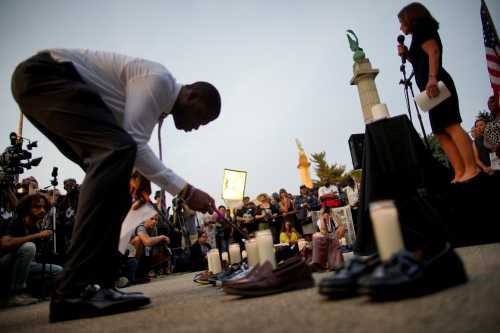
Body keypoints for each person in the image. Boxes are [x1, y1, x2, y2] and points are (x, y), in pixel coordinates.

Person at [11, 49, 220, 321]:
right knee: (116, 155)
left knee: (115, 180)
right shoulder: (160, 81)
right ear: (191, 95)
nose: (196, 127)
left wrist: (135, 176)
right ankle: (73, 289)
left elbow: (129, 148)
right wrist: (187, 191)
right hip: (47, 75)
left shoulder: (158, 100)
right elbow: (132, 144)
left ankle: (97, 286)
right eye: (200, 117)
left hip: (41, 82)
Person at [397, 3, 479, 183]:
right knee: (440, 132)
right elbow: (420, 61)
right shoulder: (416, 35)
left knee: (451, 125)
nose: (401, 27)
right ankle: (459, 172)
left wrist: (432, 77)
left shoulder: (422, 28)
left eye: (402, 22)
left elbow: (433, 51)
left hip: (437, 83)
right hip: (429, 89)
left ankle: (471, 168)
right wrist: (408, 54)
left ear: (411, 18)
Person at [0, 193, 63, 306]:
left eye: (44, 207)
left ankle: (37, 293)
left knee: (58, 270)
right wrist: (37, 236)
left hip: (25, 266)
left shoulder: (35, 225)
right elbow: (5, 243)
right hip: (6, 264)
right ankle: (16, 293)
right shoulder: (16, 221)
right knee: (29, 247)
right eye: (37, 207)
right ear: (27, 208)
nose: (42, 210)